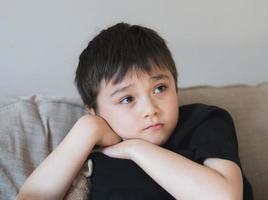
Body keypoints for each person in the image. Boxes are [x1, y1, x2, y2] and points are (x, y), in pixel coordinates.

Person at [17, 22, 253, 200]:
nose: (150, 109)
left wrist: (136, 149)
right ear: (94, 110)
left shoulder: (204, 121)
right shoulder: (94, 148)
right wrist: (87, 129)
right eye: (127, 98)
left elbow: (224, 196)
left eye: (160, 88)